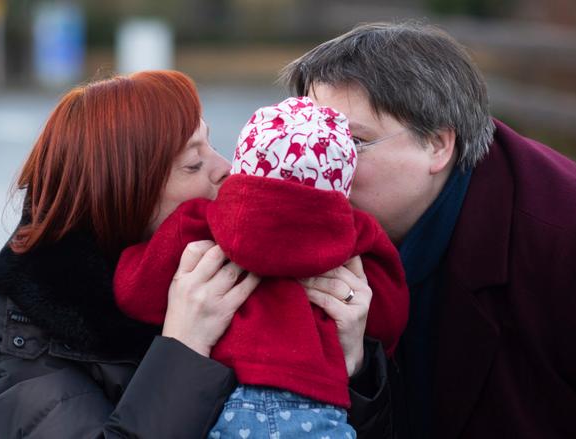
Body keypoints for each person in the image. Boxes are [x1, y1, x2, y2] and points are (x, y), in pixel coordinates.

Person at [0, 71, 392, 438]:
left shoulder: (243, 259)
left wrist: (354, 365)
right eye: (194, 164)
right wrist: (183, 345)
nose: (227, 168)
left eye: (211, 144)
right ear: (124, 194)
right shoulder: (26, 326)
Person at [280, 21, 576, 439]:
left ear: (437, 144)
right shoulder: (304, 226)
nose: (319, 165)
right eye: (310, 137)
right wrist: (359, 374)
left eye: (353, 143)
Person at [112, 96, 409, 438]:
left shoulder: (199, 222)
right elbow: (388, 310)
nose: (221, 165)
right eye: (195, 162)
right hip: (319, 403)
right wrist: (365, 349)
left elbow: (135, 291)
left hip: (228, 404)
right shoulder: (357, 232)